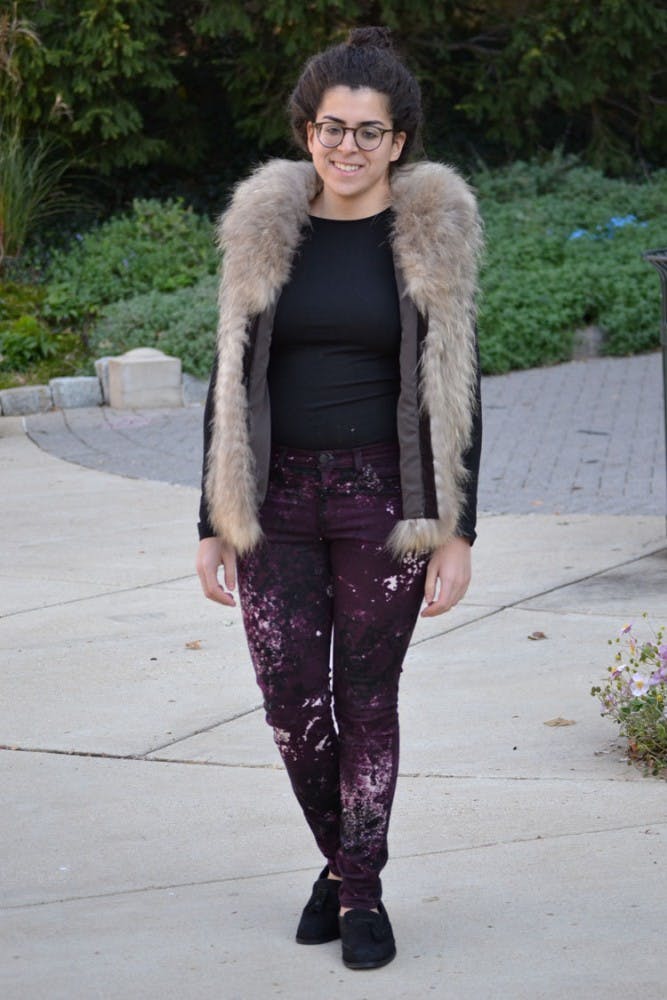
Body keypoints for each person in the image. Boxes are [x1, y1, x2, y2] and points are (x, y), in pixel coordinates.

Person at [196, 25, 482, 971]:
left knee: (366, 701)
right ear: (305, 131)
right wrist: (211, 519)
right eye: (331, 128)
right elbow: (229, 374)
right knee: (288, 705)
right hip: (271, 501)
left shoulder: (427, 231)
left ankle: (358, 892)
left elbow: (455, 383)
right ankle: (344, 860)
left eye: (369, 131)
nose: (347, 148)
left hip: (383, 502)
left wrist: (454, 531)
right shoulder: (263, 224)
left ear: (399, 140)